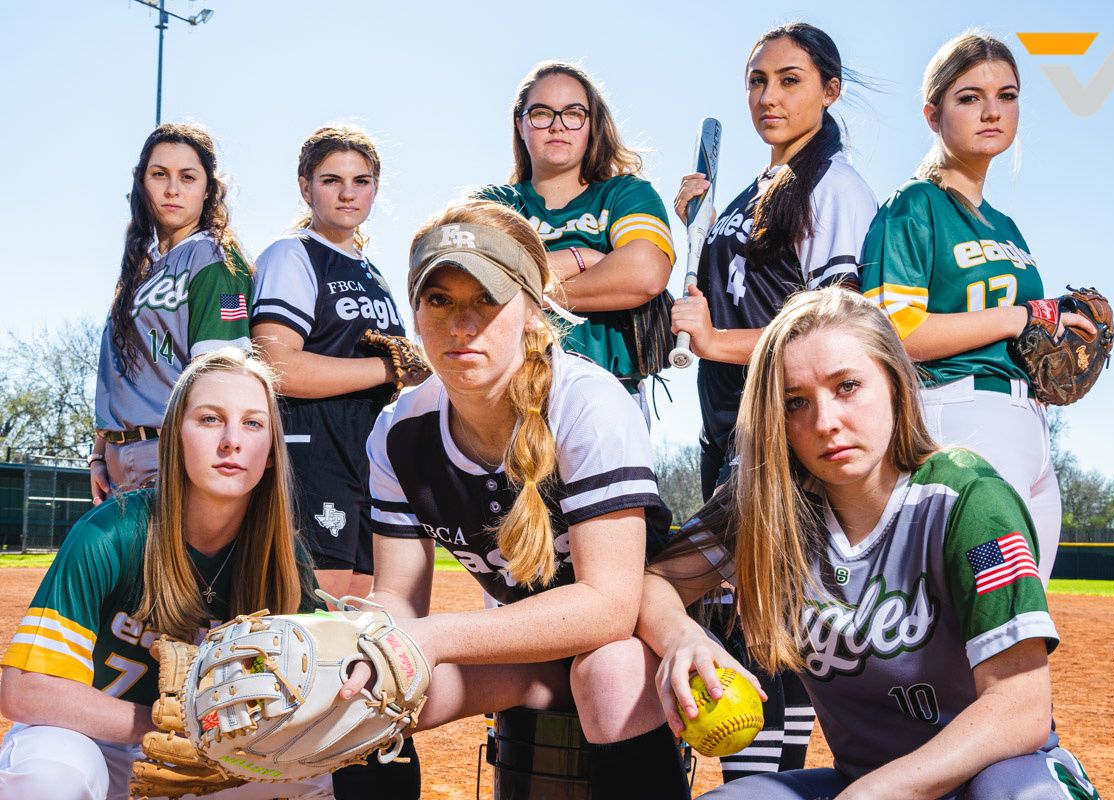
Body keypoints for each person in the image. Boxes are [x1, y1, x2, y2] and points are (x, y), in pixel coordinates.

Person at [639, 288, 1098, 800]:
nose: (825, 422)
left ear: (896, 384)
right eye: (796, 402)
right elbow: (652, 583)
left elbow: (1020, 707)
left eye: (848, 386)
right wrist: (682, 636)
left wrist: (872, 793)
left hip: (997, 774)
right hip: (862, 781)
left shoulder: (969, 498)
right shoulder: (770, 510)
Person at [352, 199, 689, 800]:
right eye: (440, 301)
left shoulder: (586, 403)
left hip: (633, 639)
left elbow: (609, 607)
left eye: (487, 299)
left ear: (534, 311)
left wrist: (431, 639)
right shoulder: (399, 430)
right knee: (356, 695)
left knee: (608, 672)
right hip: (523, 654)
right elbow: (399, 596)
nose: (461, 325)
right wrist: (364, 641)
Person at [670, 21, 877, 779]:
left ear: (830, 88)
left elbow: (834, 333)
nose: (768, 96)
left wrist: (716, 342)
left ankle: (764, 788)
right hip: (724, 429)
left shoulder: (837, 186)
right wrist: (683, 222)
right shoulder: (753, 192)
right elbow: (714, 302)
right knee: (739, 615)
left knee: (761, 622)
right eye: (757, 80)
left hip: (778, 440)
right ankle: (753, 784)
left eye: (790, 79)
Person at [0, 349, 330, 800]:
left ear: (271, 452)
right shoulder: (112, 532)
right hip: (95, 741)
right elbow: (24, 691)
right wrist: (160, 722)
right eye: (211, 419)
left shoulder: (283, 559)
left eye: (253, 423)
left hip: (211, 748)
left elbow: (301, 687)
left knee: (319, 774)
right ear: (176, 437)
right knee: (49, 775)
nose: (232, 440)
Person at [858, 32, 1094, 583]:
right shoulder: (913, 205)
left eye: (1007, 95)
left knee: (1021, 607)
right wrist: (1022, 317)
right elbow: (895, 334)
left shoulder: (1007, 228)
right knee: (985, 602)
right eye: (969, 97)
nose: (992, 111)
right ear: (932, 114)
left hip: (1027, 427)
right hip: (957, 416)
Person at [250, 124, 422, 798]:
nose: (347, 193)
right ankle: (308, 775)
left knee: (365, 624)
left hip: (368, 458)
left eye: (360, 181)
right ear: (306, 186)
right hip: (312, 451)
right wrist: (387, 365)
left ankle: (360, 764)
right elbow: (278, 366)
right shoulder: (295, 254)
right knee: (321, 623)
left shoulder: (373, 270)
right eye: (331, 180)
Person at [476, 61, 675, 419]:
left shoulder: (626, 194)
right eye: (541, 113)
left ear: (592, 124)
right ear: (520, 124)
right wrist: (583, 257)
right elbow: (477, 282)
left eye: (573, 113)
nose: (557, 125)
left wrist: (534, 295)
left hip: (613, 393)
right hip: (510, 396)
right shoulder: (494, 203)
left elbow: (644, 274)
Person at [90, 123, 253, 503]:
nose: (172, 189)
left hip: (173, 455)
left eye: (188, 177)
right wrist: (100, 451)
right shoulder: (142, 264)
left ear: (209, 188)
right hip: (118, 460)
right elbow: (122, 368)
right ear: (141, 182)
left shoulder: (216, 261)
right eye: (159, 174)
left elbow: (222, 377)